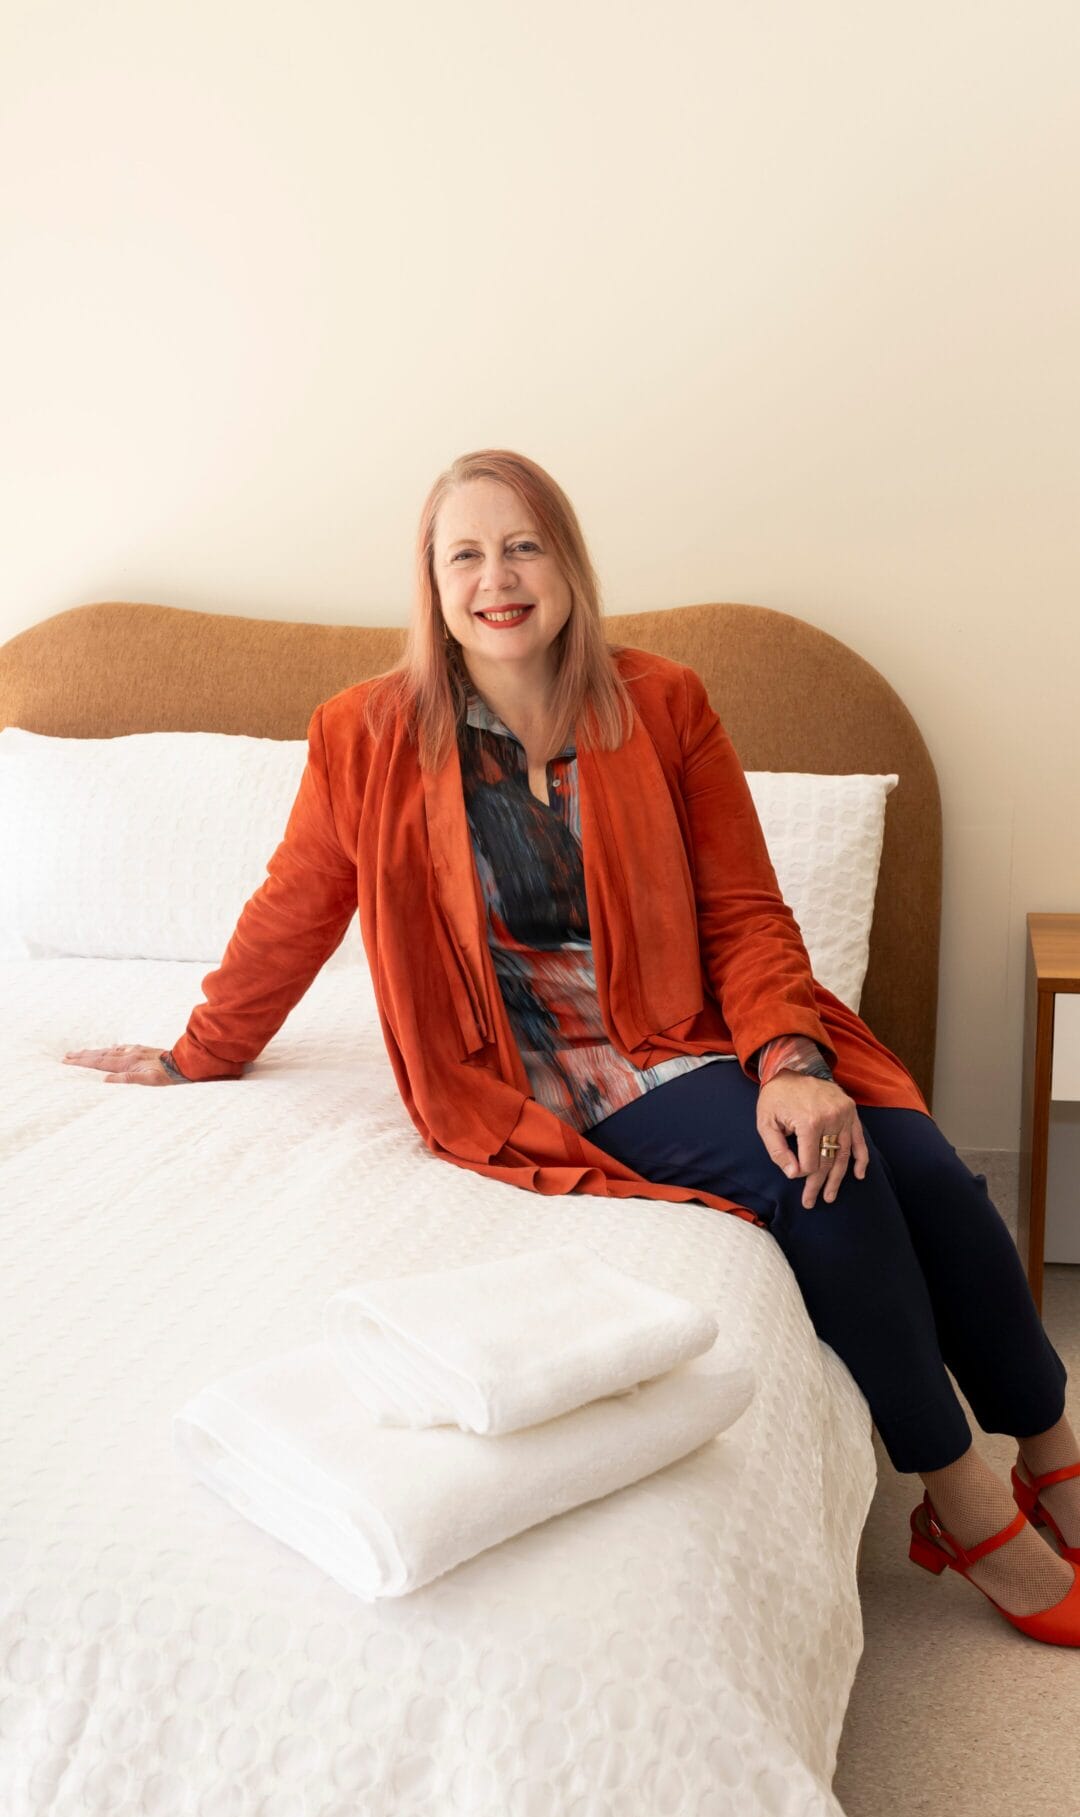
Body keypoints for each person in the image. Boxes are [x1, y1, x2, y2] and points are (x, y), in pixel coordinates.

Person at [63, 448, 1080, 1644]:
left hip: (719, 1027)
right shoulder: (367, 735)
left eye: (524, 545)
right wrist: (197, 1051)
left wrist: (793, 1062)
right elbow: (294, 908)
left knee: (932, 1172)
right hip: (561, 1071)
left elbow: (747, 912)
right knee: (834, 1181)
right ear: (434, 586)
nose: (498, 577)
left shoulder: (664, 703)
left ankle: (1056, 1455)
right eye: (467, 554)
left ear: (568, 564)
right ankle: (961, 1502)